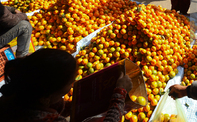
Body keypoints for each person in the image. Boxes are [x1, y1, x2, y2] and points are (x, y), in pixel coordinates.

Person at [0, 49, 133, 122]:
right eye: (71, 82)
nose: (73, 84)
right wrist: (119, 94)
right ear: (50, 93)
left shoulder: (17, 94)